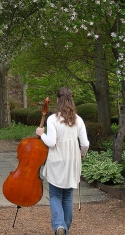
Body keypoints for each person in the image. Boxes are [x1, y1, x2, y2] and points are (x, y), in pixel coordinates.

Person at [36, 87, 90, 235]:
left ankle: (60, 225)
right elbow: (85, 144)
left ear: (58, 100)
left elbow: (51, 142)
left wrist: (41, 134)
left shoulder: (53, 119)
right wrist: (82, 155)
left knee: (54, 196)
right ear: (71, 100)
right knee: (67, 197)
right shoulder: (78, 120)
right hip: (72, 163)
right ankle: (64, 229)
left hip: (56, 162)